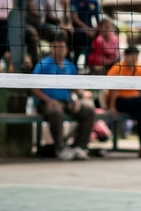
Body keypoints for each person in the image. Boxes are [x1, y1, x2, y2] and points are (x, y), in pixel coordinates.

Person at [30, 33, 97, 161]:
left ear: (66, 49)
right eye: (57, 47)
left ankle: (79, 147)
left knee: (88, 110)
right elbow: (34, 88)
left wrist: (77, 98)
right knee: (56, 111)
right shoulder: (43, 64)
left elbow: (73, 88)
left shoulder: (70, 66)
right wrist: (49, 101)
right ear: (51, 48)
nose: (60, 50)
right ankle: (60, 148)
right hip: (46, 103)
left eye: (62, 47)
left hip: (66, 102)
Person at [105, 46, 141, 157]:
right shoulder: (117, 68)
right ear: (126, 56)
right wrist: (111, 107)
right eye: (132, 57)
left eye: (136, 57)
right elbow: (112, 90)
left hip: (135, 103)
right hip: (120, 102)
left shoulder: (138, 68)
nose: (134, 59)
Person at [70, 0, 102, 66]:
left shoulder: (94, 0)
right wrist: (87, 29)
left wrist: (96, 30)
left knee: (92, 49)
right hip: (77, 30)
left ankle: (90, 67)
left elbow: (98, 19)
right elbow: (74, 18)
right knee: (77, 52)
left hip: (91, 32)